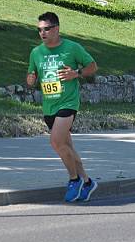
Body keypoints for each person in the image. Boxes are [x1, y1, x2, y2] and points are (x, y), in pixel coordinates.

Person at [26, 12, 99, 202]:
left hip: (68, 103)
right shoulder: (36, 52)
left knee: (56, 142)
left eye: (46, 29)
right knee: (67, 146)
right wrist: (31, 80)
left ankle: (74, 180)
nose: (42, 33)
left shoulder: (72, 48)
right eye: (39, 30)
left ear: (56, 29)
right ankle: (88, 181)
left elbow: (92, 66)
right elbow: (30, 77)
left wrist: (77, 73)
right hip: (49, 105)